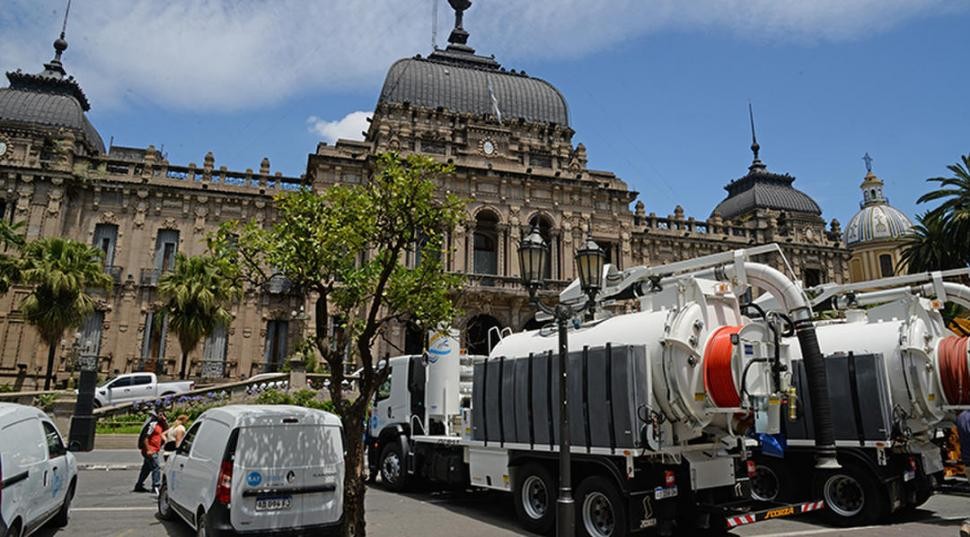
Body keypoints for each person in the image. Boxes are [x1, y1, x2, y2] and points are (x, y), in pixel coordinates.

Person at [133, 411, 167, 494]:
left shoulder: (161, 424)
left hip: (155, 449)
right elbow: (145, 438)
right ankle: (156, 486)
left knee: (146, 469)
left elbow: (167, 431)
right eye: (160, 414)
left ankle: (139, 485)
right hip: (150, 450)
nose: (162, 416)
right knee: (156, 467)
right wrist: (148, 450)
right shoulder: (152, 424)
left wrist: (164, 421)